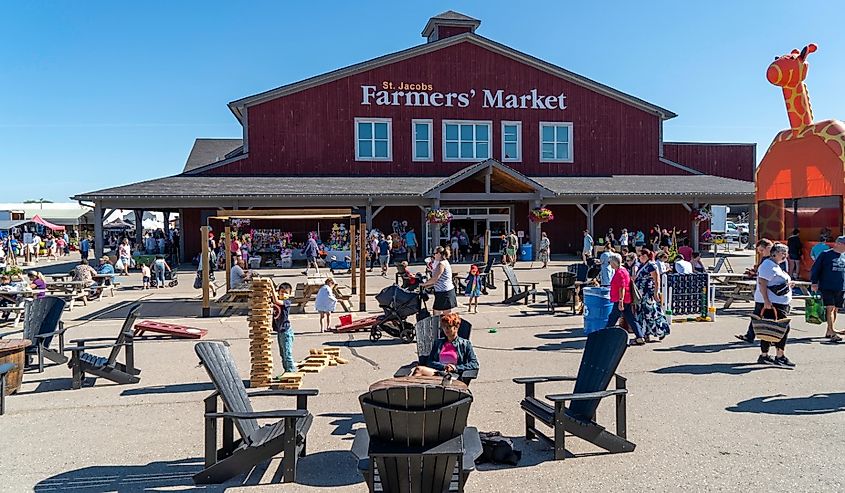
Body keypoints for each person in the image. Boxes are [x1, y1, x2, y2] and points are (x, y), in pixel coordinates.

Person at [751, 243, 795, 366]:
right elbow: (762, 283)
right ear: (774, 253)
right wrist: (766, 301)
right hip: (773, 303)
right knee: (778, 328)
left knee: (771, 328)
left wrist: (788, 285)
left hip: (779, 302)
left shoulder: (776, 265)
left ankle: (766, 355)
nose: (785, 255)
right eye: (783, 253)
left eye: (786, 253)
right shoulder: (768, 265)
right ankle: (779, 355)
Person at [412, 313, 478, 377]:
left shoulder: (465, 344)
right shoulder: (438, 342)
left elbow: (474, 364)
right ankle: (411, 387)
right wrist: (443, 366)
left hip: (454, 375)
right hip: (438, 372)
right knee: (418, 370)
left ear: (456, 327)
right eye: (444, 327)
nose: (446, 329)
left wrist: (455, 368)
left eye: (449, 326)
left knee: (421, 372)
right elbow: (430, 362)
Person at [810, 235, 845, 342]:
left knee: (835, 309)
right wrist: (814, 282)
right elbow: (816, 268)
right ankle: (832, 331)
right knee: (830, 308)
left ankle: (830, 330)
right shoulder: (826, 255)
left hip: (841, 286)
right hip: (827, 285)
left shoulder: (843, 256)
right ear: (838, 244)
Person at [605, 254, 645, 345]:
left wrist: (620, 300)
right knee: (631, 318)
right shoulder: (623, 270)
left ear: (614, 262)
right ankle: (640, 336)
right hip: (625, 299)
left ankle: (605, 335)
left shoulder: (620, 273)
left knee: (612, 318)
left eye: (610, 262)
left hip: (621, 300)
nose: (610, 264)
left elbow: (622, 287)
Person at [635, 249, 670, 342]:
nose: (639, 257)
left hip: (648, 293)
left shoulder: (651, 265)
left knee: (651, 313)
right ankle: (645, 333)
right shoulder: (642, 265)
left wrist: (656, 292)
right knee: (642, 314)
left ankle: (661, 330)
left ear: (646, 255)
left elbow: (656, 279)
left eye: (641, 255)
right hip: (641, 294)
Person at [271, 282, 297, 373]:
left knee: (287, 353)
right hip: (280, 331)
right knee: (282, 353)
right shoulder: (277, 299)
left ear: (289, 294)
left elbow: (276, 301)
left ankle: (291, 371)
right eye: (281, 292)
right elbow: (273, 299)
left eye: (286, 292)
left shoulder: (287, 302)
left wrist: (271, 285)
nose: (283, 294)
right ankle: (286, 370)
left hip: (286, 332)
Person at [422, 246, 456, 315]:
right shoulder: (440, 263)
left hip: (445, 292)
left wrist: (423, 284)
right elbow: (437, 281)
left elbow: (435, 279)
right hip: (442, 292)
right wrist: (426, 286)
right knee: (439, 314)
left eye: (434, 253)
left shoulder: (442, 264)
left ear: (439, 254)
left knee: (443, 316)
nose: (433, 255)